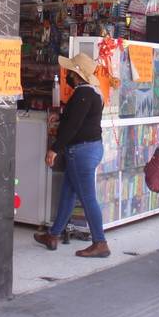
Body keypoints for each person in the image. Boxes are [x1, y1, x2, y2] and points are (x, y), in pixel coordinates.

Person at [35, 52, 110, 258]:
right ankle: (53, 234)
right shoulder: (94, 93)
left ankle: (100, 242)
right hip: (91, 148)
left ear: (76, 75)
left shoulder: (82, 95)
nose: (66, 73)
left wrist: (55, 148)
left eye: (69, 71)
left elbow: (73, 126)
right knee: (68, 192)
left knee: (87, 198)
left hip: (81, 151)